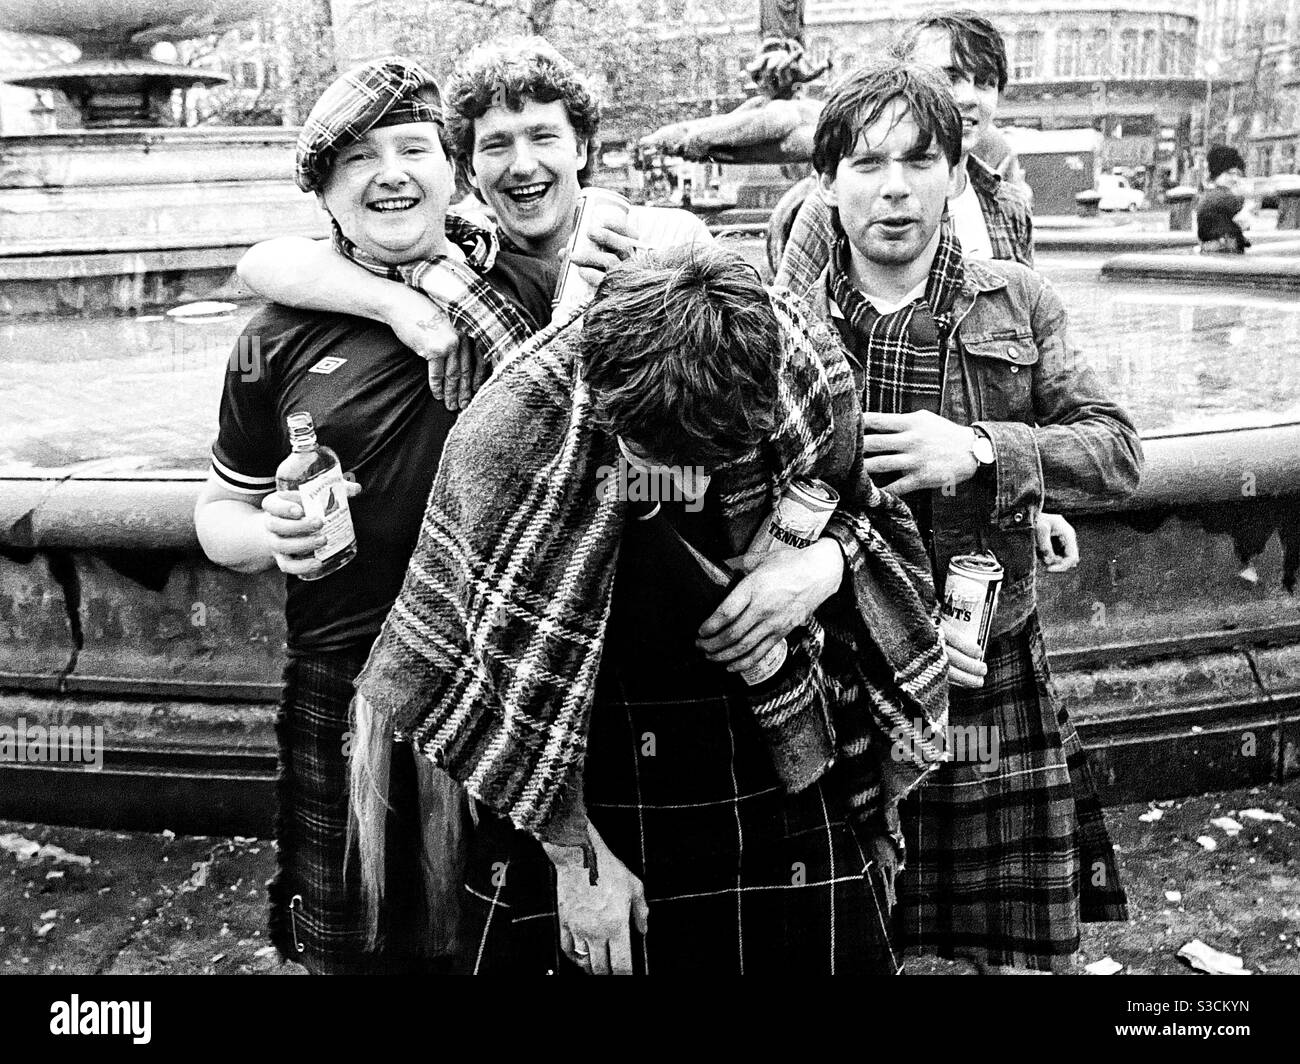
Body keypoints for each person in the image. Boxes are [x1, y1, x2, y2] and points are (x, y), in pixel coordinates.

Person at [350, 246, 952, 975]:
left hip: (771, 733)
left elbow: (866, 513)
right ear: (598, 393)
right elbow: (485, 676)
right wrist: (576, 859)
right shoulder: (509, 428)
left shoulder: (799, 364)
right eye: (655, 460)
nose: (679, 482)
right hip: (581, 750)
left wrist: (820, 568)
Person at [193, 57, 553, 974]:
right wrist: (267, 534)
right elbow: (216, 518)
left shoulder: (530, 292)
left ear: (455, 171)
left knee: (522, 948)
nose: (389, 172)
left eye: (414, 148)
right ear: (322, 191)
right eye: (357, 158)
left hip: (510, 680)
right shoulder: (272, 335)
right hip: (345, 681)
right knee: (356, 957)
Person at [800, 60, 1143, 972]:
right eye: (868, 163)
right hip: (843, 670)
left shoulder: (1017, 298)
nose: (895, 187)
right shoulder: (781, 323)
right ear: (829, 180)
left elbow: (1117, 450)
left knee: (1017, 950)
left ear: (955, 174)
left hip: (989, 662)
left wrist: (986, 452)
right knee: (855, 936)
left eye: (921, 160)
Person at [239, 36, 711, 408]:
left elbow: (741, 389)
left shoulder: (668, 238)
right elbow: (265, 262)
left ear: (581, 148)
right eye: (496, 145)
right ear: (467, 170)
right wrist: (397, 305)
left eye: (543, 136)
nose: (522, 164)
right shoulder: (466, 252)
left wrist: (650, 304)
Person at [778, 10, 1083, 574]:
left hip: (977, 541)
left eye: (984, 81)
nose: (967, 97)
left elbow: (1027, 380)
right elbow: (792, 349)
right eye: (947, 76)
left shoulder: (1006, 204)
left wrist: (1015, 479)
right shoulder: (835, 211)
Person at [1197, 145, 1251, 254]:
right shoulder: (1220, 196)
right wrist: (1244, 197)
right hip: (1223, 252)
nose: (1235, 178)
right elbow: (1244, 222)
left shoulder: (1209, 194)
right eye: (1230, 173)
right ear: (1217, 173)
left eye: (1238, 174)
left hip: (1218, 250)